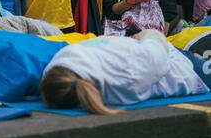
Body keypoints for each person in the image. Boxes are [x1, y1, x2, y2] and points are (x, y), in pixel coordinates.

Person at [40, 29, 210, 114]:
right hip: (185, 69)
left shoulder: (58, 64)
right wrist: (143, 34)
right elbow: (157, 47)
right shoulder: (127, 75)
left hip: (157, 53)